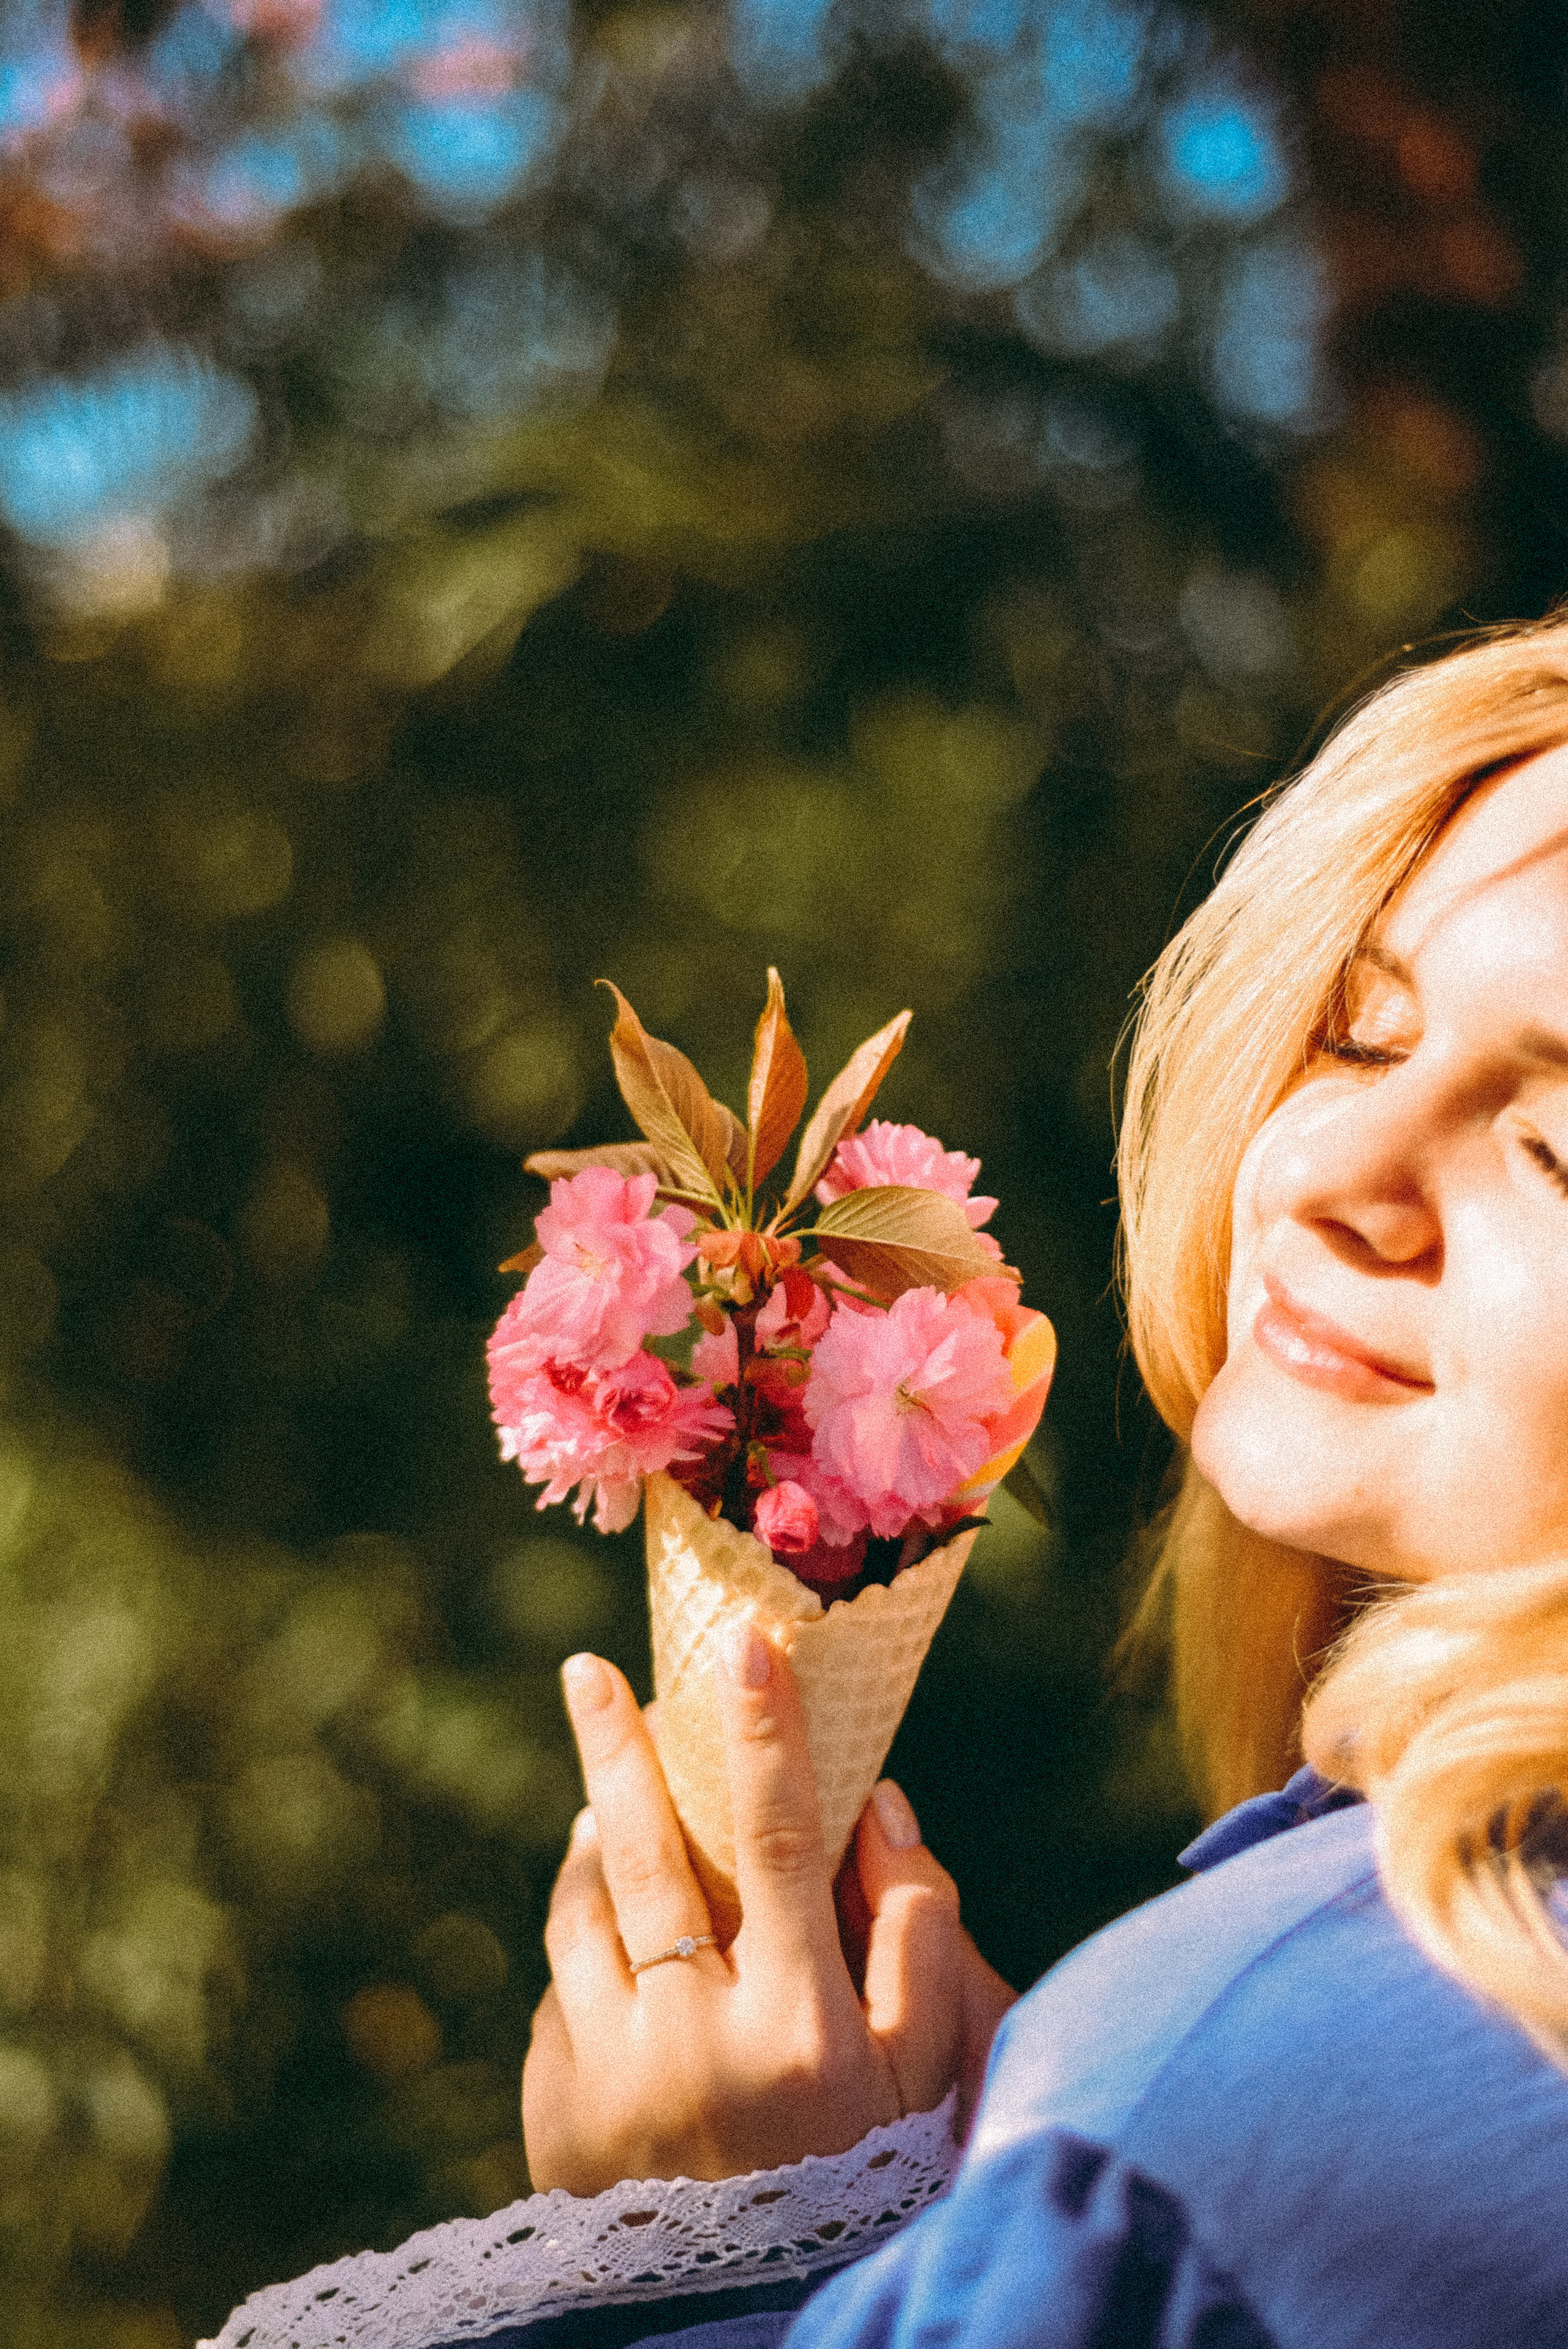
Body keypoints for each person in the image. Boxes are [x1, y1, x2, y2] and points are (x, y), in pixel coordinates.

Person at [209, 615, 1568, 2349]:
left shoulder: (1223, 2132)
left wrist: (726, 2249)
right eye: (1362, 1036)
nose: (1336, 1176)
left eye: (1555, 1147)